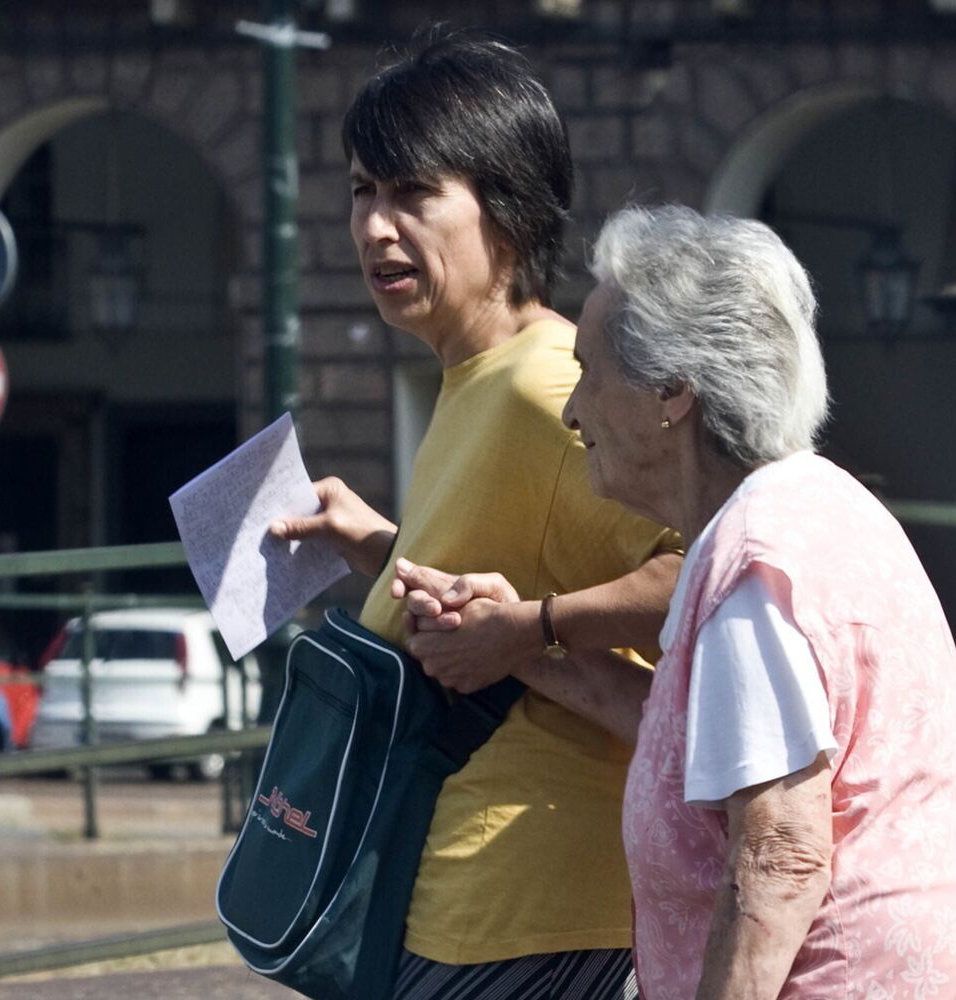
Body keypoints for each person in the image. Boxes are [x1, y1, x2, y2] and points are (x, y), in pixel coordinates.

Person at [397, 205, 956, 997]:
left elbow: (780, 858)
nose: (574, 410)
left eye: (590, 373)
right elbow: (687, 734)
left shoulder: (754, 561)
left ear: (672, 392)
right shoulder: (817, 504)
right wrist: (510, 639)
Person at [269, 33, 682, 1000]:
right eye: (363, 191)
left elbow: (718, 567)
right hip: (462, 899)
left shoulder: (549, 386)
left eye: (413, 194)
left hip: (525, 916)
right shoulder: (476, 376)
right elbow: (511, 563)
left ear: (507, 209)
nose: (375, 228)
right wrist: (377, 543)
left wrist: (534, 632)